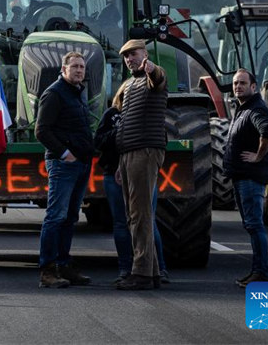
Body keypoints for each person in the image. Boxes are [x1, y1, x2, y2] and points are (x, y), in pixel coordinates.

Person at [95, 84, 170, 285]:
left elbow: (160, 138)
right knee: (121, 222)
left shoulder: (147, 116)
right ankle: (125, 268)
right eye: (126, 95)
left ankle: (159, 267)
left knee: (147, 219)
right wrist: (120, 132)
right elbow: (99, 141)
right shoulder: (111, 115)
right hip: (114, 173)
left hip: (141, 170)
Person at [35, 51, 94, 288]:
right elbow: (42, 130)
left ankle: (64, 266)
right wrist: (64, 154)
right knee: (55, 217)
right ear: (64, 69)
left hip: (80, 164)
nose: (80, 70)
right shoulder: (54, 93)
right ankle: (47, 271)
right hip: (63, 165)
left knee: (70, 217)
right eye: (75, 67)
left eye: (82, 67)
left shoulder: (78, 93)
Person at [114, 39, 168, 290]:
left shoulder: (153, 76)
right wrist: (120, 162)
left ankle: (142, 273)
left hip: (144, 151)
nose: (129, 59)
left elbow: (157, 77)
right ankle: (152, 272)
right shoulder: (131, 84)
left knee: (140, 215)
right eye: (125, 56)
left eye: (133, 54)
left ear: (145, 54)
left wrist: (151, 68)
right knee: (135, 214)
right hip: (130, 153)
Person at [223, 68, 268, 287]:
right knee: (251, 225)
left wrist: (257, 156)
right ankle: (257, 271)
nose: (238, 87)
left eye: (242, 83)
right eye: (235, 83)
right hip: (241, 177)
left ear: (254, 87)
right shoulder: (243, 109)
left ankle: (261, 272)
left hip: (250, 178)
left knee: (255, 225)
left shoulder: (256, 109)